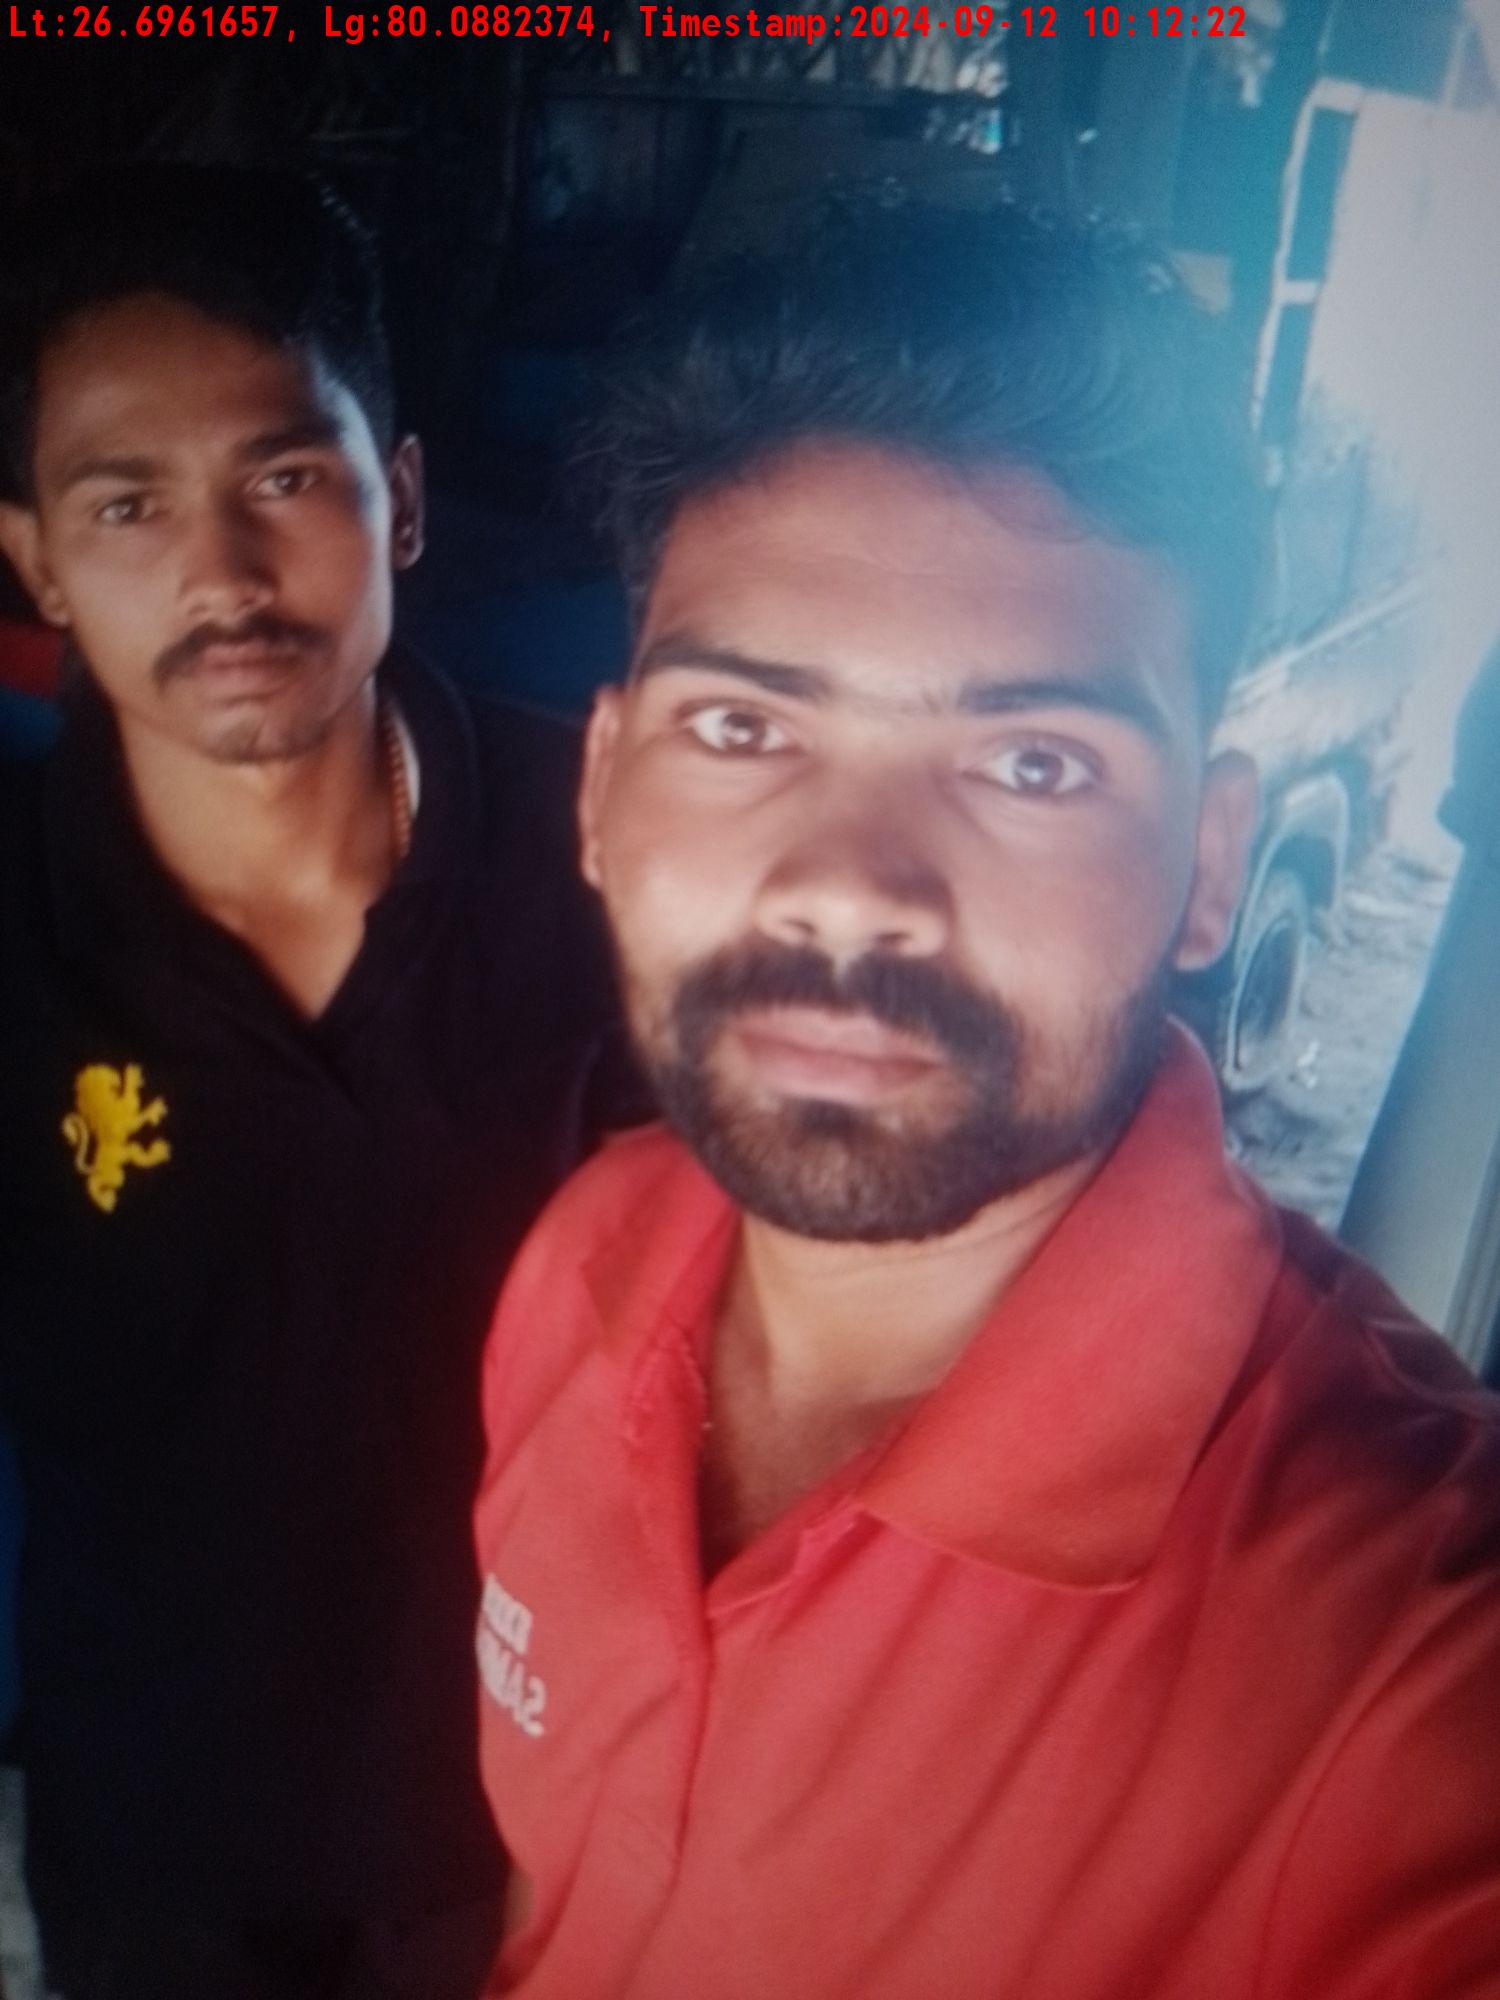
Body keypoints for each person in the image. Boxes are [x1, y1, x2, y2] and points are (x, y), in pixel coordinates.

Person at [472, 198, 1500, 1999]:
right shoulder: (584, 1254)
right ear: (602, 791)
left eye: (1033, 763)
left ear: (1210, 863)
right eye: (743, 729)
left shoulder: (1394, 1642)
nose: (850, 888)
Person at [0, 165, 621, 1999]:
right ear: (36, 560)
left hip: (553, 1821)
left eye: (283, 478)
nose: (222, 575)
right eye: (126, 504)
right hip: (156, 1848)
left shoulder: (610, 858)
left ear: (399, 499)